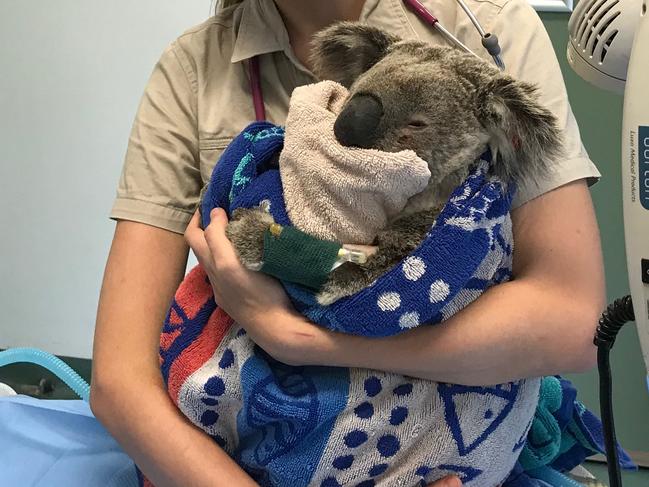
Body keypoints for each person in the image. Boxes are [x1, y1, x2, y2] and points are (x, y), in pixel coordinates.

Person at [90, 0, 605, 485]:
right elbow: (120, 384)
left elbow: (568, 322)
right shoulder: (194, 71)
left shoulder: (486, 26)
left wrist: (300, 339)